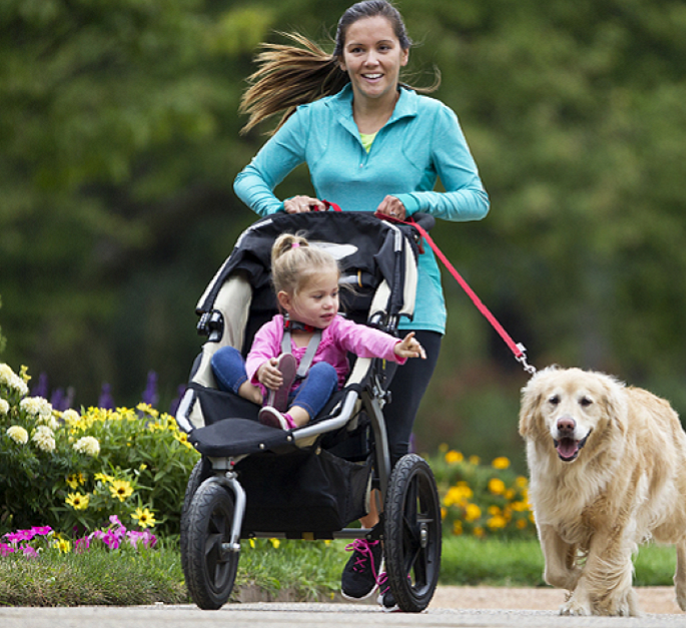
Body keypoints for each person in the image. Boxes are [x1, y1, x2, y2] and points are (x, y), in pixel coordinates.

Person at [232, 0, 489, 607]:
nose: (371, 60)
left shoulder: (433, 119)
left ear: (403, 54)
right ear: (343, 58)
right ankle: (362, 519)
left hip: (411, 303)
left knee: (389, 435)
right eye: (357, 50)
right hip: (328, 303)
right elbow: (250, 178)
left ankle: (381, 540)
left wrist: (419, 198)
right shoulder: (314, 119)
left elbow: (474, 198)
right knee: (342, 427)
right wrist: (282, 207)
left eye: (382, 48)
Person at [209, 233, 426, 431]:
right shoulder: (272, 329)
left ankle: (293, 419)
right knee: (222, 356)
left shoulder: (337, 327)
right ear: (287, 300)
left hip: (314, 397)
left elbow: (364, 337)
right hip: (271, 390)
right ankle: (259, 397)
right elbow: (258, 353)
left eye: (334, 294)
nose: (330, 304)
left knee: (325, 371)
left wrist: (395, 346)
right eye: (318, 297)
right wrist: (262, 370)